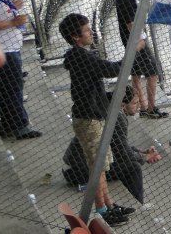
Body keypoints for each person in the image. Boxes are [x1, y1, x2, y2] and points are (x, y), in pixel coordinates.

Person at [59, 13, 130, 226]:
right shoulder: (82, 57)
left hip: (94, 117)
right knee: (97, 167)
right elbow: (110, 69)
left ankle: (108, 204)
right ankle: (101, 210)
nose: (91, 32)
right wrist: (131, 53)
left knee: (103, 165)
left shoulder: (82, 55)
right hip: (89, 119)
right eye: (87, 30)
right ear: (75, 37)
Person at [0, 0, 39, 139]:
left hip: (10, 48)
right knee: (13, 88)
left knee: (7, 89)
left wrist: (14, 8)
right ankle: (20, 126)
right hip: (4, 50)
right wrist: (13, 21)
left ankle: (9, 124)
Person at [114, 0, 167, 119]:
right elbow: (130, 21)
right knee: (152, 73)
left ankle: (143, 107)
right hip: (137, 40)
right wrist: (140, 39)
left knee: (136, 74)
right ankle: (150, 108)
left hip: (130, 40)